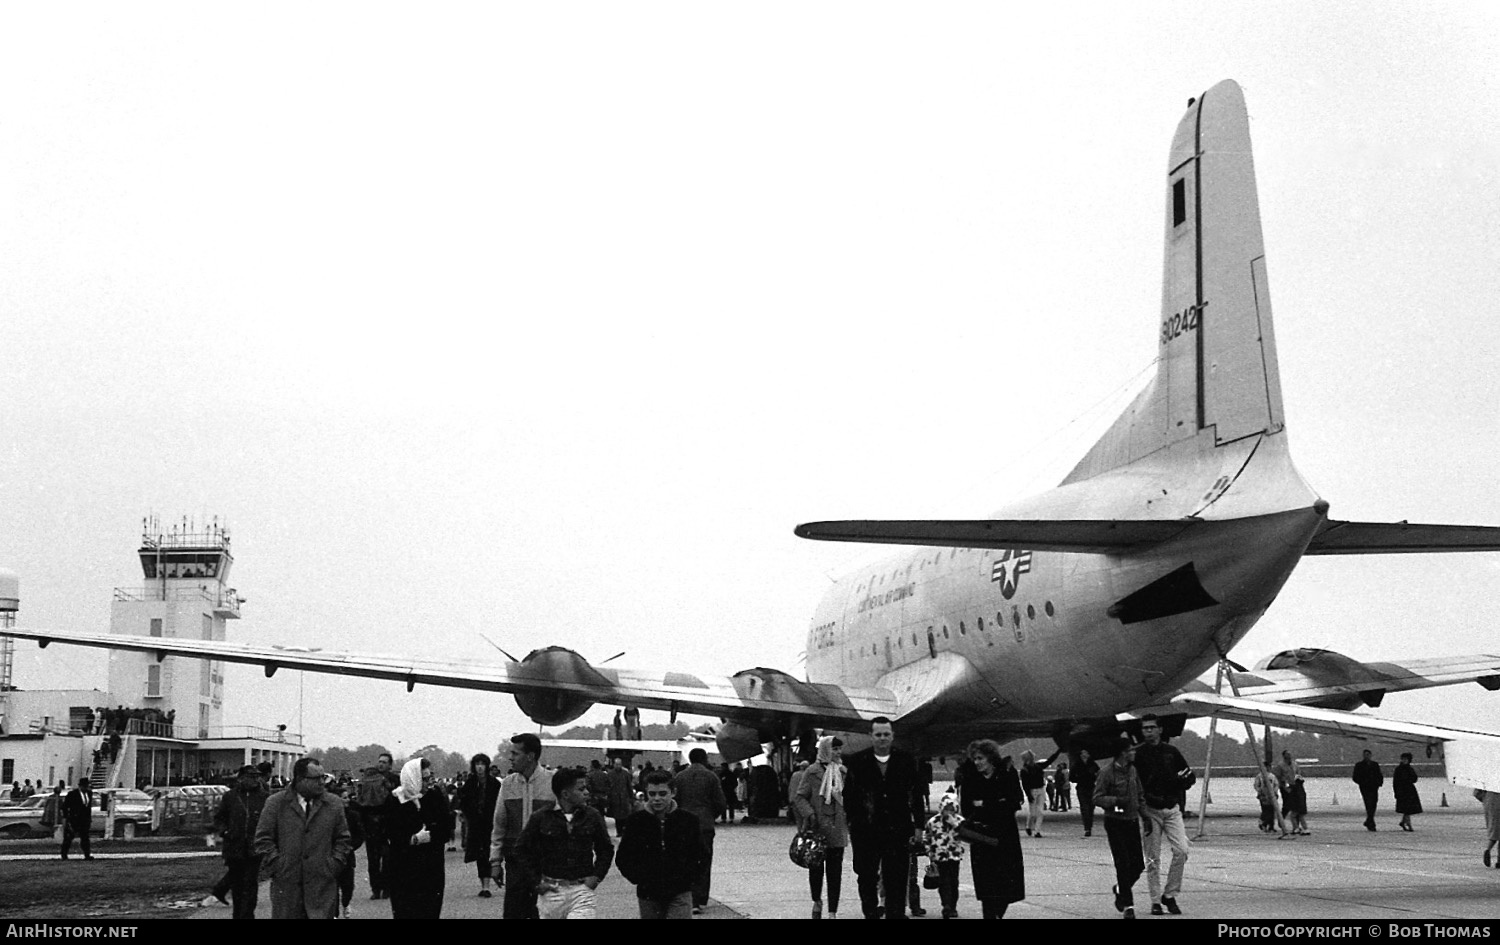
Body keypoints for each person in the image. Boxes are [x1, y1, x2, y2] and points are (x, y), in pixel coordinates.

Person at [844, 716, 923, 919]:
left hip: (897, 831)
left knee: (896, 879)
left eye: (886, 734)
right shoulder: (857, 762)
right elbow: (849, 797)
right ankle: (870, 913)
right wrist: (854, 824)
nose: (882, 738)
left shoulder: (906, 761)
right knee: (867, 878)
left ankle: (895, 915)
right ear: (871, 737)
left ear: (892, 736)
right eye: (878, 734)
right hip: (866, 832)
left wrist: (919, 827)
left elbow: (916, 796)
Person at [253, 757, 353, 919]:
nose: (322, 782)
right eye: (317, 778)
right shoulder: (276, 803)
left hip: (322, 887)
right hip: (287, 888)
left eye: (323, 777)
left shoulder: (333, 804)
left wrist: (333, 864)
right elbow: (263, 839)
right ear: (300, 779)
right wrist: (278, 865)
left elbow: (343, 839)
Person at [515, 766, 615, 919]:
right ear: (565, 794)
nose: (587, 793)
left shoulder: (592, 816)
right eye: (581, 789)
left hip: (581, 889)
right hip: (551, 892)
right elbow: (521, 849)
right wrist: (535, 882)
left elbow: (606, 849)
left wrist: (596, 876)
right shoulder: (541, 817)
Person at [617, 769, 708, 919]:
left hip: (680, 890)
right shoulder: (636, 821)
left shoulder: (688, 820)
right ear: (646, 793)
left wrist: (690, 878)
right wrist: (638, 877)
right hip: (649, 892)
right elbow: (624, 856)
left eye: (662, 794)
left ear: (673, 792)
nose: (657, 799)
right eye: (652, 794)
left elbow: (701, 854)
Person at [959, 739, 1025, 919]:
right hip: (981, 837)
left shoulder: (1007, 775)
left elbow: (1015, 801)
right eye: (974, 759)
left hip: (1005, 837)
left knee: (1006, 886)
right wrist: (997, 803)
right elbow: (966, 808)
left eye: (980, 758)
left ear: (990, 758)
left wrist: (985, 804)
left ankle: (997, 915)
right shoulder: (971, 779)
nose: (977, 762)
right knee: (986, 887)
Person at [491, 732, 555, 920]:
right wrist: (495, 862)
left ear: (531, 756)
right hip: (515, 863)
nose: (510, 758)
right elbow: (499, 826)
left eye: (515, 753)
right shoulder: (507, 785)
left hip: (545, 862)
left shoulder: (552, 783)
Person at [1135, 715, 1194, 916]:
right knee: (1153, 858)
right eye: (1145, 728)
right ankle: (1155, 901)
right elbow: (1136, 784)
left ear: (1160, 729)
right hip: (1150, 810)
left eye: (1152, 727)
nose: (1148, 731)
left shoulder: (1172, 752)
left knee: (1182, 850)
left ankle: (1169, 895)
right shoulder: (1138, 754)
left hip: (1171, 808)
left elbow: (1189, 776)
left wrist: (1178, 784)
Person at [383, 757, 452, 919]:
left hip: (431, 866)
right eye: (425, 779)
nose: (429, 783)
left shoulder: (435, 797)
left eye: (430, 778)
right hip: (404, 866)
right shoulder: (395, 800)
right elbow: (389, 832)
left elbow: (446, 827)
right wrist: (413, 839)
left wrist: (431, 836)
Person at [793, 735, 849, 919]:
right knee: (816, 871)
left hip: (837, 829)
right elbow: (799, 797)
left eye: (839, 749)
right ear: (825, 749)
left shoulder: (843, 772)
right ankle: (817, 900)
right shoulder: (812, 772)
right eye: (834, 749)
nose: (838, 752)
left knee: (835, 873)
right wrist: (809, 813)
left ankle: (832, 911)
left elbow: (849, 797)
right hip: (818, 829)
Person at [1092, 736, 1145, 918]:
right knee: (1122, 863)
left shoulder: (1133, 771)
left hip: (1131, 821)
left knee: (1138, 865)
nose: (1134, 752)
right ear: (1123, 753)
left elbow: (1139, 793)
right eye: (1131, 750)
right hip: (1115, 822)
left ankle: (1120, 889)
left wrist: (1145, 816)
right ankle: (1128, 906)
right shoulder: (1106, 773)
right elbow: (1097, 797)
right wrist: (1115, 802)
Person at [671, 747, 727, 915]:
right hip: (704, 825)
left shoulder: (680, 777)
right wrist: (710, 815)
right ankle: (700, 899)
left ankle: (687, 896)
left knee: (685, 860)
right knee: (703, 861)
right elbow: (721, 803)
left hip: (683, 825)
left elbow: (675, 801)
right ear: (704, 759)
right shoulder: (711, 777)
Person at [212, 765, 268, 919]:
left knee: (250, 884)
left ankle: (248, 915)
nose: (255, 780)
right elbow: (219, 817)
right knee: (237, 885)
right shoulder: (230, 797)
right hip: (234, 847)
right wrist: (224, 830)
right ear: (241, 778)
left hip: (254, 848)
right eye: (251, 777)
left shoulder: (264, 797)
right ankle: (238, 914)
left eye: (257, 776)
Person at [356, 752, 399, 900]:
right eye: (380, 761)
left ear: (390, 765)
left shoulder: (394, 779)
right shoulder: (368, 779)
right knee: (373, 859)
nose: (381, 764)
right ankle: (376, 888)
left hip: (387, 823)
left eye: (384, 762)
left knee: (387, 858)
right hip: (371, 823)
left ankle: (386, 887)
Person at [459, 752, 501, 898]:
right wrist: (469, 815)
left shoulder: (495, 784)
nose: (480, 768)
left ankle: (486, 885)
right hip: (476, 823)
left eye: (482, 764)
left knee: (488, 853)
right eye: (477, 764)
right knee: (479, 854)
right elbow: (463, 801)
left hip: (490, 823)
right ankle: (483, 884)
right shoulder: (470, 784)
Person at [923, 789, 965, 918]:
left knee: (954, 881)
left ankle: (953, 905)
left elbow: (965, 833)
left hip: (954, 855)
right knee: (943, 881)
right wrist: (928, 849)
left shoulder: (959, 821)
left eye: (952, 809)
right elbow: (927, 836)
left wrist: (954, 823)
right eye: (946, 809)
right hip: (939, 856)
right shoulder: (933, 822)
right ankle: (946, 904)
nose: (949, 812)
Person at [1273, 749, 1309, 835]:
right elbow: (1277, 777)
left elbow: (1298, 774)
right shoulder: (1280, 765)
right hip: (1286, 787)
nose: (1290, 756)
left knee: (1296, 807)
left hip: (1295, 787)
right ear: (1284, 756)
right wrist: (1283, 787)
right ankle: (1281, 821)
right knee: (1287, 806)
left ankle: (1296, 827)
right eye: (1287, 754)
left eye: (1290, 754)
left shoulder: (1294, 764)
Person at [1253, 761, 1290, 838]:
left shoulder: (1272, 776)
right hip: (1263, 796)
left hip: (1272, 796)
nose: (1268, 768)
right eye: (1267, 767)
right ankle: (1263, 822)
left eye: (1269, 767)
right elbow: (1256, 785)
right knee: (1266, 810)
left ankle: (1270, 826)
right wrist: (1260, 791)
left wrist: (1275, 791)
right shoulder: (1260, 776)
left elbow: (1276, 784)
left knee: (1272, 810)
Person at [61, 778, 94, 861]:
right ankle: (64, 855)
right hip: (74, 819)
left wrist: (89, 819)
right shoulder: (72, 794)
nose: (87, 788)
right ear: (81, 786)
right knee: (69, 838)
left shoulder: (89, 794)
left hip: (85, 820)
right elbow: (65, 807)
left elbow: (88, 808)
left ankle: (87, 854)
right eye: (85, 786)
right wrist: (66, 818)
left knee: (85, 838)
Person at [1352, 749, 1384, 832]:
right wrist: (1362, 782)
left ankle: (1369, 820)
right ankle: (1371, 823)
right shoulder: (1359, 765)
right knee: (1368, 803)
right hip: (1365, 787)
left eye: (1368, 754)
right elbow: (1355, 777)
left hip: (1374, 786)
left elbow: (1379, 774)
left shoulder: (1375, 764)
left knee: (1373, 803)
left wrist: (1379, 783)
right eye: (1365, 754)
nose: (1367, 756)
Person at [1019, 750, 1046, 836]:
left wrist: (1058, 752)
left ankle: (1037, 831)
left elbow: (1049, 761)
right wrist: (1028, 795)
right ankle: (1028, 826)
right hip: (1032, 790)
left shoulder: (1037, 766)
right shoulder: (1024, 770)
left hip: (1040, 789)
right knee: (1033, 813)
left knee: (1040, 812)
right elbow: (1025, 784)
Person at [607, 757, 636, 835]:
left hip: (624, 798)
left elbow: (629, 786)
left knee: (626, 815)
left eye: (619, 764)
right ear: (614, 764)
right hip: (614, 798)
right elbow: (608, 786)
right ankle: (619, 831)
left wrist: (631, 797)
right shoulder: (610, 774)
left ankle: (625, 831)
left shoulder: (625, 774)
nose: (618, 766)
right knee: (617, 816)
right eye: (616, 764)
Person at [1394, 752, 1422, 831]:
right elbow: (1395, 782)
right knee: (1407, 808)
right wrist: (1396, 792)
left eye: (1406, 759)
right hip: (1402, 790)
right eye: (1403, 759)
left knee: (1407, 808)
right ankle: (1408, 824)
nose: (1404, 760)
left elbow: (1415, 779)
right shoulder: (1399, 769)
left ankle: (1404, 822)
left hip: (1409, 790)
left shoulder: (1410, 769)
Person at [1075, 749, 1099, 838]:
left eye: (1087, 752)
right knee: (1085, 808)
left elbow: (1099, 772)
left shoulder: (1092, 764)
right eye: (1084, 753)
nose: (1086, 754)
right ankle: (1087, 828)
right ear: (1081, 755)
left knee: (1091, 808)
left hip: (1091, 787)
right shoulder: (1077, 764)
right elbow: (1072, 777)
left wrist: (1094, 778)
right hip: (1081, 788)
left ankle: (1089, 826)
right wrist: (1080, 778)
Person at [1477, 789, 1500, 867]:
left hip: (1489, 802)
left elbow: (1477, 793)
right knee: (1497, 831)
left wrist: (1485, 800)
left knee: (1494, 830)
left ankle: (1489, 850)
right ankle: (1489, 851)